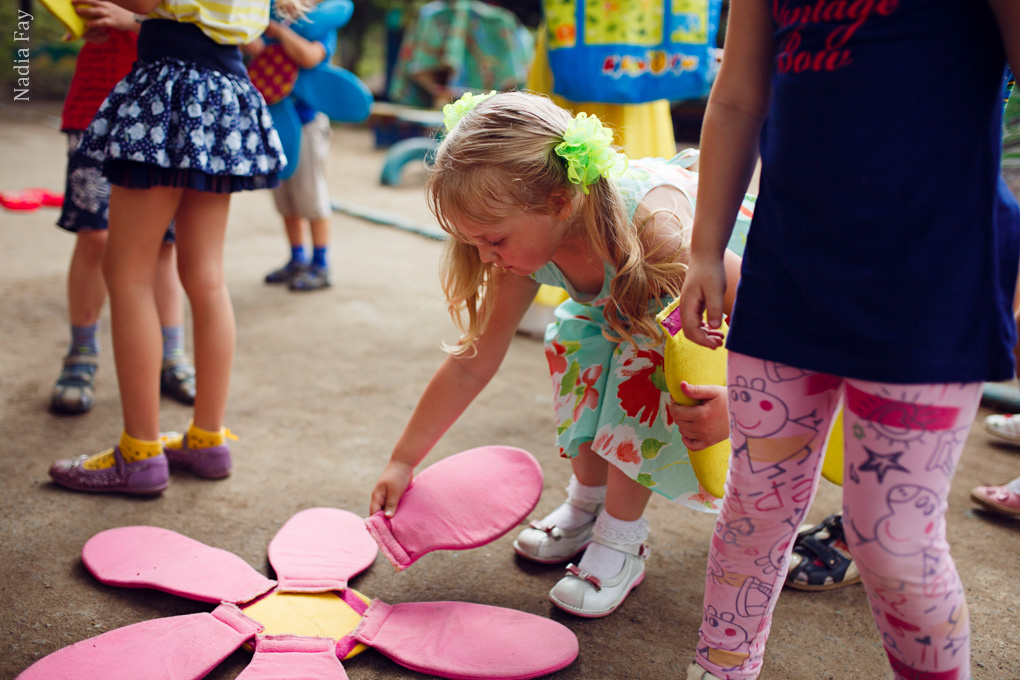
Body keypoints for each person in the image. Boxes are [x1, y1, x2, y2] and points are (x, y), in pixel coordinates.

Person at [678, 2, 1020, 679]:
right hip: (788, 268)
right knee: (754, 510)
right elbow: (741, 97)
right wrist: (705, 248)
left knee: (892, 546)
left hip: (931, 280)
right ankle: (720, 667)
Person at [370, 90, 746, 618]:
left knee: (642, 361)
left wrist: (742, 403)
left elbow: (773, 316)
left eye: (493, 239)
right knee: (576, 339)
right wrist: (404, 459)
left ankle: (622, 536)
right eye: (473, 241)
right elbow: (475, 359)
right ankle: (588, 503)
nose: (485, 257)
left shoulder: (660, 232)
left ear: (560, 204)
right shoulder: (525, 245)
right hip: (631, 305)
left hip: (713, 315)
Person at [47, 0, 300, 495]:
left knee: (128, 274)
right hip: (224, 92)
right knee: (207, 276)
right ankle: (207, 440)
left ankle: (139, 454)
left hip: (168, 88)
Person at [51, 0, 197, 416]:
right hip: (95, 105)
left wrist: (132, 21)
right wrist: (77, 20)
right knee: (94, 236)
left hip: (161, 111)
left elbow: (206, 24)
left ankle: (172, 355)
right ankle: (81, 354)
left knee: (164, 247)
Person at [253, 8, 337, 291]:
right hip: (275, 122)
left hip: (307, 123)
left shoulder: (320, 25)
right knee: (285, 199)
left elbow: (309, 57)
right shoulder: (272, 21)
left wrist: (280, 33)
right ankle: (297, 258)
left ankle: (321, 265)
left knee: (311, 197)